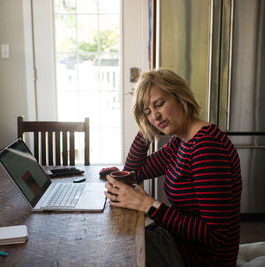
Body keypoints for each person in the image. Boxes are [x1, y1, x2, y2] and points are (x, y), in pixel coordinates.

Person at [104, 68, 242, 267]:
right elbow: (134, 171)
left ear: (180, 96)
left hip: (200, 259)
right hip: (179, 242)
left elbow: (216, 236)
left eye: (159, 104)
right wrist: (146, 127)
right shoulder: (182, 141)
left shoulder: (206, 146)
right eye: (148, 112)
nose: (155, 116)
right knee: (119, 241)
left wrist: (148, 204)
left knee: (115, 253)